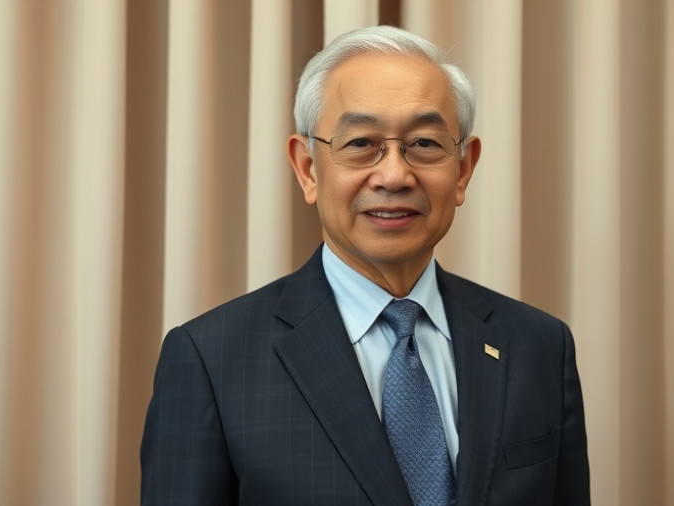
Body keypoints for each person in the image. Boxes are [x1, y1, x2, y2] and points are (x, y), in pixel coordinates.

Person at [141, 25, 589, 505]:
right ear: (308, 169)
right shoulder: (210, 359)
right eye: (360, 143)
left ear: (463, 169)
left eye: (424, 143)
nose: (394, 175)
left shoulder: (540, 346)